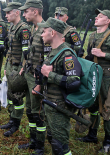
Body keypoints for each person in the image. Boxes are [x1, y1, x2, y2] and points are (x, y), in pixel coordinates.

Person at [77, 9, 110, 152]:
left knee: (106, 108)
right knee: (93, 106)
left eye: (100, 16)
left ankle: (108, 141)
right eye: (97, 16)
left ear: (108, 21)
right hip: (93, 75)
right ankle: (92, 135)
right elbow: (89, 57)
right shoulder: (93, 35)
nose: (96, 17)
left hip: (106, 77)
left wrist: (104, 54)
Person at [39, 17, 82, 155]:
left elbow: (74, 82)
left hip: (60, 106)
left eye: (44, 31)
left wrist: (50, 75)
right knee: (53, 139)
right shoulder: (53, 52)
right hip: (51, 104)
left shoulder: (67, 54)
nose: (41, 34)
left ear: (53, 33)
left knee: (60, 145)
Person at [17, 0, 46, 154]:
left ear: (35, 11)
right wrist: (23, 67)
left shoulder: (46, 29)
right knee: (30, 110)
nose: (23, 14)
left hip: (38, 78)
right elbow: (30, 52)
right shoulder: (33, 29)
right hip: (29, 74)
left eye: (26, 11)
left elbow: (49, 59)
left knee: (38, 112)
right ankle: (33, 141)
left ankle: (40, 146)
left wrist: (40, 82)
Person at [0, 2, 30, 137]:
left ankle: (16, 124)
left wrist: (23, 67)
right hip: (10, 66)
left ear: (17, 13)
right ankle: (12, 120)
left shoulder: (23, 29)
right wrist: (6, 66)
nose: (5, 15)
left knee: (17, 97)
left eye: (8, 12)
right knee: (10, 95)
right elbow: (9, 50)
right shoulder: (12, 27)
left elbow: (26, 52)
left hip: (18, 68)